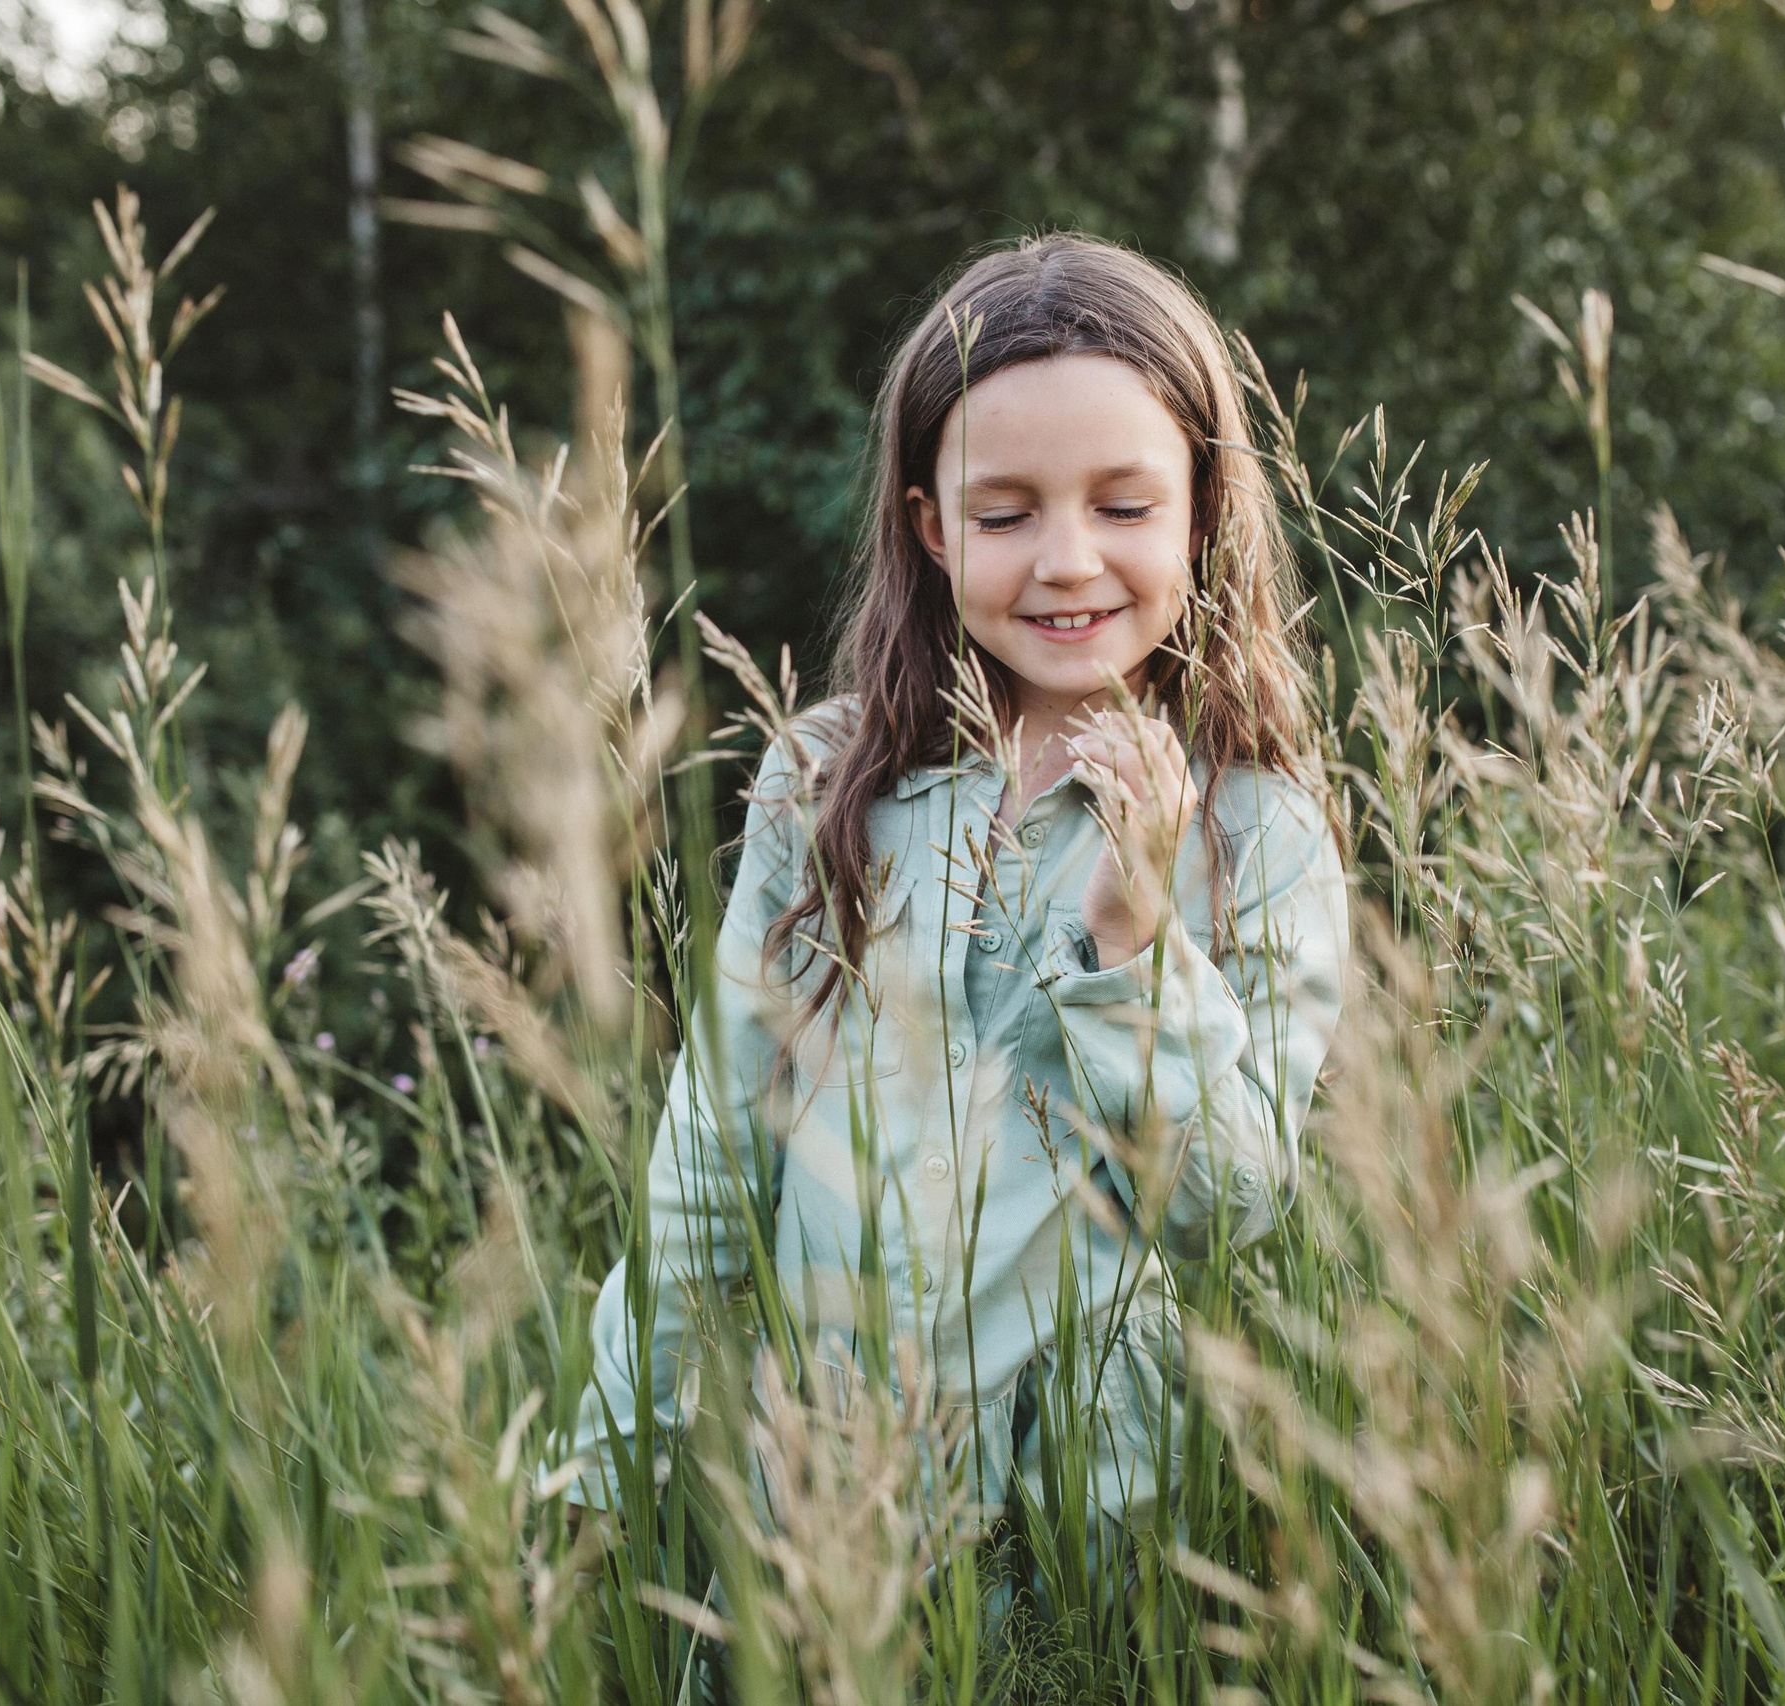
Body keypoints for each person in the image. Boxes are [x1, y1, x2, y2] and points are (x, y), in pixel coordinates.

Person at [566, 231, 1350, 1581]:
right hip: (816, 1507)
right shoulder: (827, 781)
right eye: (1005, 514)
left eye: (1124, 506)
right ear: (931, 527)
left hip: (1086, 1533)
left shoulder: (1253, 830)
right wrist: (615, 1453)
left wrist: (1134, 942)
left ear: (1203, 512)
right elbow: (715, 1148)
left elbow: (1228, 1210)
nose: (1067, 560)